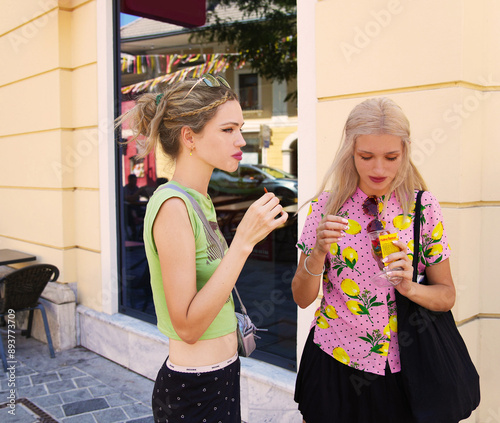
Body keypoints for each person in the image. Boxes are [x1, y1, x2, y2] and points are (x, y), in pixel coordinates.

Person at [118, 74, 288, 422]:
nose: (241, 139)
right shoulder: (172, 207)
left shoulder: (199, 200)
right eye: (227, 130)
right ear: (189, 137)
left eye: (240, 127)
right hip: (194, 390)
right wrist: (243, 241)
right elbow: (187, 327)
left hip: (222, 375)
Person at [291, 97, 455, 423]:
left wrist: (409, 288)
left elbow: (446, 295)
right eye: (366, 156)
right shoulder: (326, 208)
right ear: (350, 152)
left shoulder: (423, 208)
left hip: (404, 369)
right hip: (333, 359)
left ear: (405, 153)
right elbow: (302, 297)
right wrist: (318, 253)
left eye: (391, 157)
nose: (379, 169)